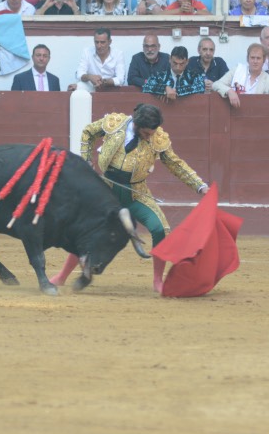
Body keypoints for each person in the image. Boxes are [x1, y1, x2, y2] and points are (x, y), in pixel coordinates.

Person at [49, 103, 209, 294]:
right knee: (84, 230)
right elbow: (88, 132)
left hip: (135, 193)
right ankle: (62, 276)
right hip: (104, 191)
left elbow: (176, 164)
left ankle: (158, 280)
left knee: (160, 228)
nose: (150, 137)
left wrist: (200, 185)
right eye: (146, 133)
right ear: (136, 124)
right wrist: (86, 161)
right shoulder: (114, 123)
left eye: (152, 133)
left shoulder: (157, 138)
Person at [212, 43, 269, 108]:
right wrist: (229, 91)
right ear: (247, 59)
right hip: (235, 113)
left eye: (258, 58)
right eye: (252, 58)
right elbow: (216, 84)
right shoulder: (236, 70)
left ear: (264, 60)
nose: (255, 61)